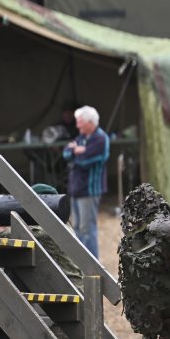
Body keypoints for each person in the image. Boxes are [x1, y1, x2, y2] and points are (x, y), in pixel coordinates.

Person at [61, 106, 108, 258]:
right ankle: (81, 261)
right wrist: (77, 151)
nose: (77, 125)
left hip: (89, 191)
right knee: (77, 229)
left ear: (89, 122)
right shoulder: (81, 138)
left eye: (79, 122)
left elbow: (85, 162)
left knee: (87, 229)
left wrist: (79, 153)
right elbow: (66, 152)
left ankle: (93, 263)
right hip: (76, 190)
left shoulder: (101, 139)